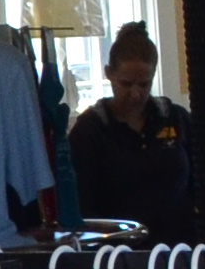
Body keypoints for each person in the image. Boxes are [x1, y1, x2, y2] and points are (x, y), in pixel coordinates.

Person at [62, 23, 194, 234]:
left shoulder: (174, 118)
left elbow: (201, 184)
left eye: (144, 84)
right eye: (126, 84)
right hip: (119, 251)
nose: (135, 94)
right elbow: (83, 206)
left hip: (180, 248)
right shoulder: (90, 130)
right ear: (109, 74)